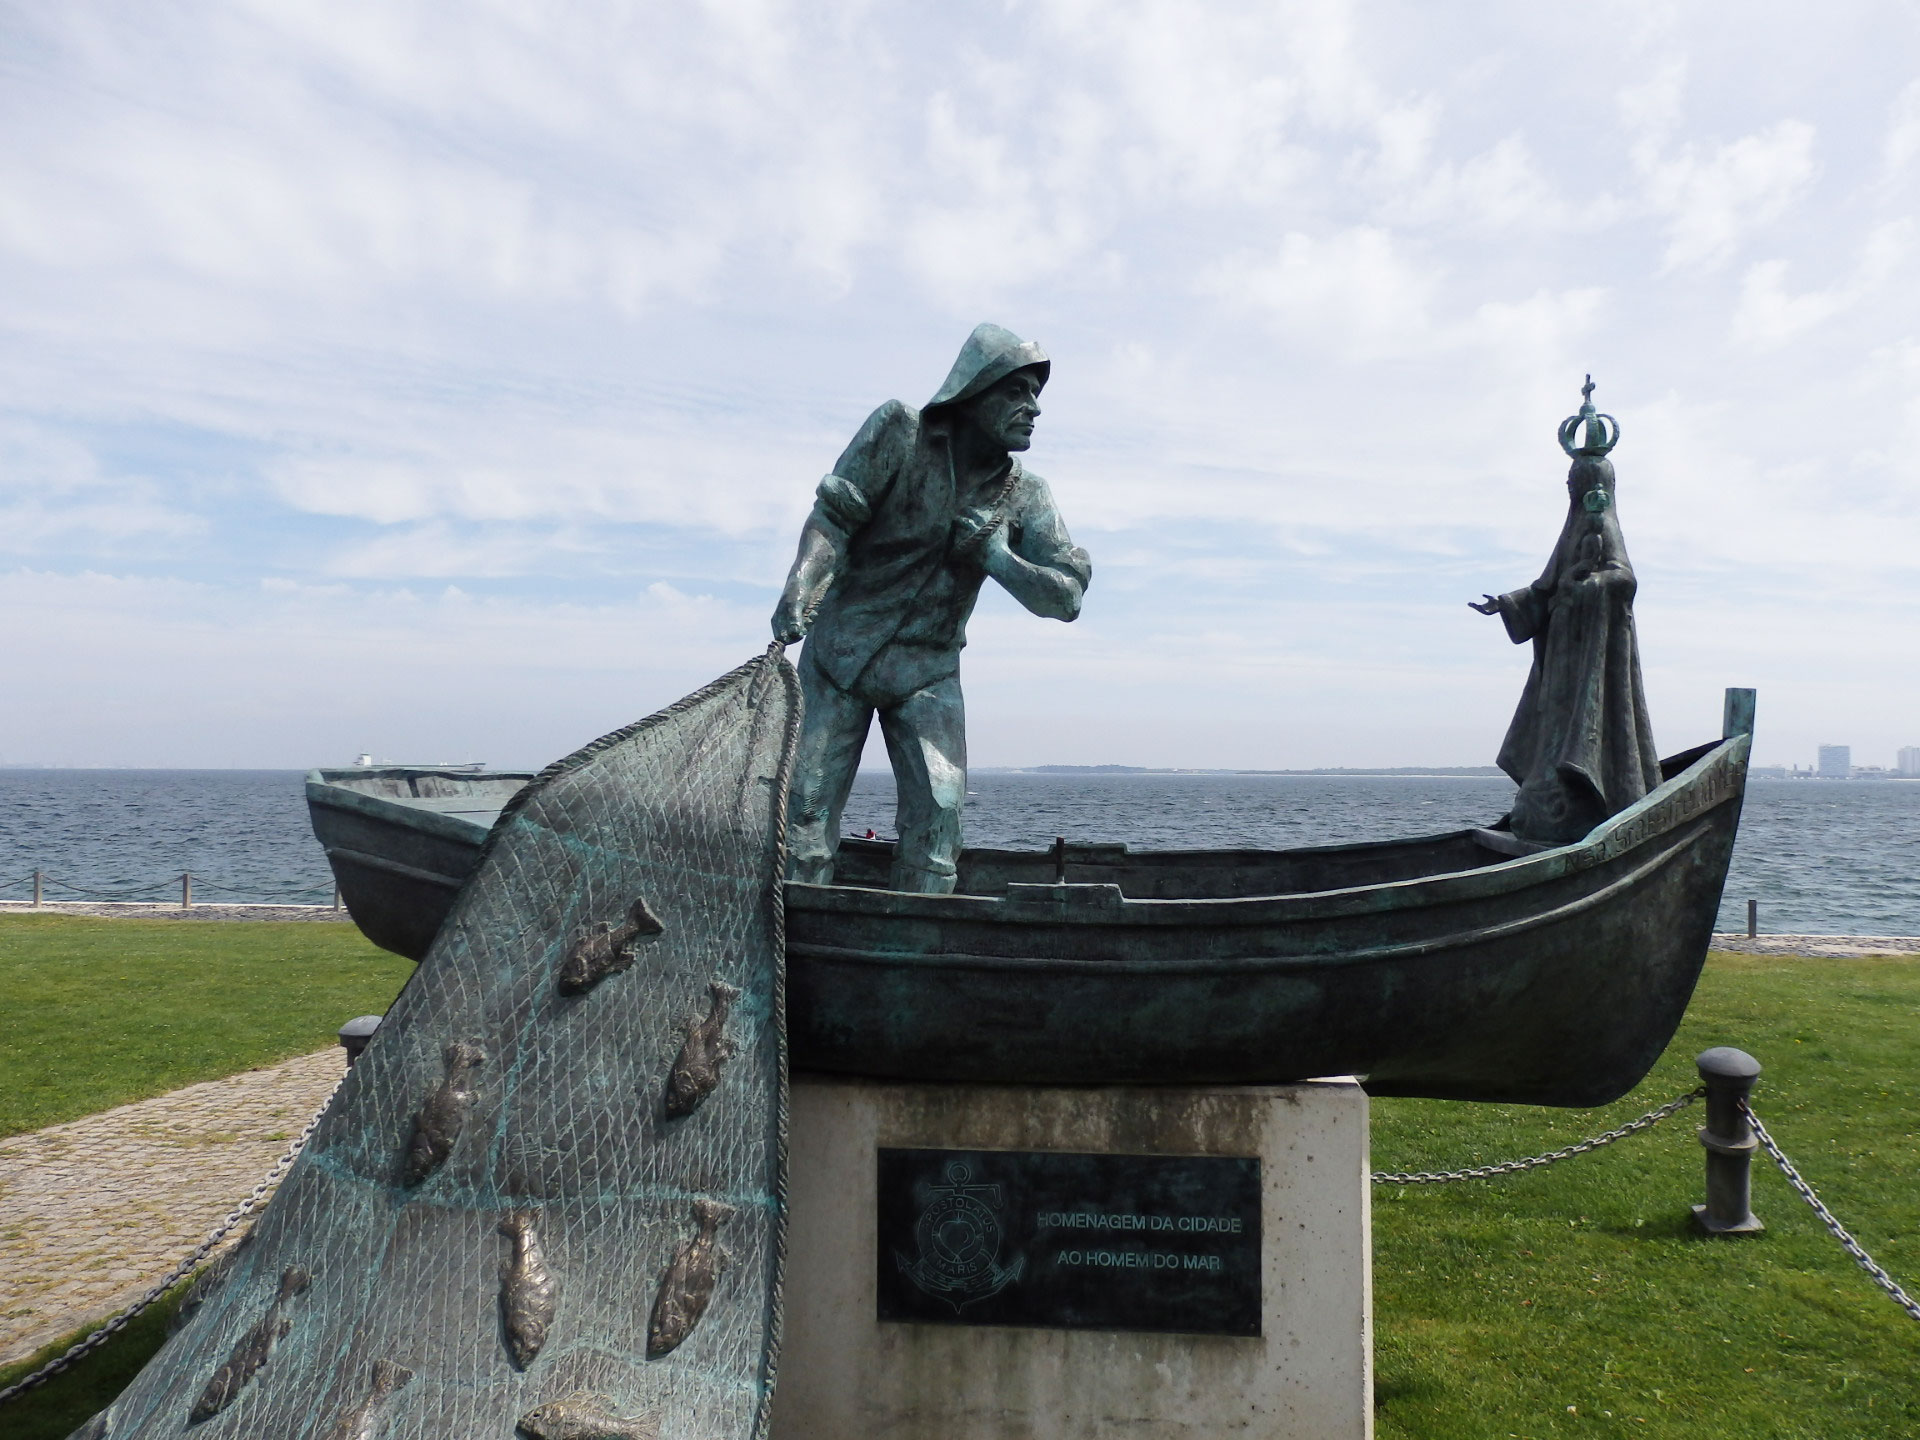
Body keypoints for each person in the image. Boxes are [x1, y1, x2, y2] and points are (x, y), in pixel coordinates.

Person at [772, 324, 1092, 891]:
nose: (1033, 408)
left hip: (928, 671)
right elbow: (834, 517)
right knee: (803, 812)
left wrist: (997, 557)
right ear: (973, 391)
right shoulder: (899, 430)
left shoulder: (1026, 495)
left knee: (939, 817)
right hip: (837, 657)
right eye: (1016, 392)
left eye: (1036, 395)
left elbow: (1065, 597)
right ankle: (792, 942)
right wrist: (801, 582)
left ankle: (920, 939)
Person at [1471, 378, 1659, 844]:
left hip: (1591, 652)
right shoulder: (1571, 530)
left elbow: (1624, 580)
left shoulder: (1603, 524)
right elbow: (1545, 587)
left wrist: (1591, 584)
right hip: (1562, 657)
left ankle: (1584, 801)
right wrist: (1509, 604)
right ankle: (1546, 799)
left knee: (1583, 728)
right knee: (1553, 730)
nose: (1573, 487)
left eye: (1579, 481)